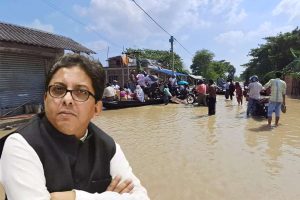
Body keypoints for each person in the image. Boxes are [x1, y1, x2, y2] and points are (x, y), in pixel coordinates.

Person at [0, 54, 149, 200]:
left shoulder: (108, 148)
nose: (67, 99)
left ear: (96, 108)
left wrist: (74, 197)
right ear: (45, 98)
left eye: (81, 92)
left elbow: (142, 197)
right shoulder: (21, 145)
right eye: (58, 89)